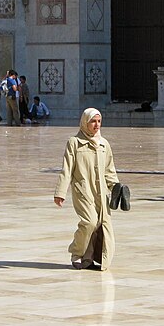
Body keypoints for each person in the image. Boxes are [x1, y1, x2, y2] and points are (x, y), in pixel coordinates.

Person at [54, 108, 119, 271]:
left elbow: (109, 170)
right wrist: (60, 192)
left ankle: (88, 258)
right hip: (83, 190)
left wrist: (117, 188)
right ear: (85, 122)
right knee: (90, 221)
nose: (96, 125)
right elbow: (67, 170)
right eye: (93, 121)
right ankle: (76, 253)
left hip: (101, 192)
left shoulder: (104, 144)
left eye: (99, 121)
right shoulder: (74, 143)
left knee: (99, 224)